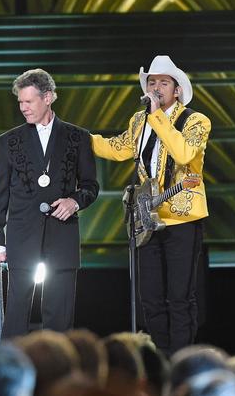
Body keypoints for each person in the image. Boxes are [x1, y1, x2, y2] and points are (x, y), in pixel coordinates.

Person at [91, 55, 211, 356]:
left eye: (163, 82)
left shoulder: (196, 121)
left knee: (180, 297)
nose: (156, 87)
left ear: (177, 90)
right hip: (147, 220)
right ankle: (161, 359)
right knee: (151, 298)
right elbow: (118, 148)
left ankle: (180, 361)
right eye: (152, 82)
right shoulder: (139, 120)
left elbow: (184, 154)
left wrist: (157, 117)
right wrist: (80, 138)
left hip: (182, 219)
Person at [0, 68, 99, 338]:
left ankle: (58, 372)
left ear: (48, 97)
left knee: (59, 316)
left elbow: (90, 186)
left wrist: (74, 201)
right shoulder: (9, 141)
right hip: (21, 234)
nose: (23, 108)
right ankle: (11, 372)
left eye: (29, 102)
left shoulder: (78, 137)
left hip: (62, 235)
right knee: (16, 312)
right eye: (20, 103)